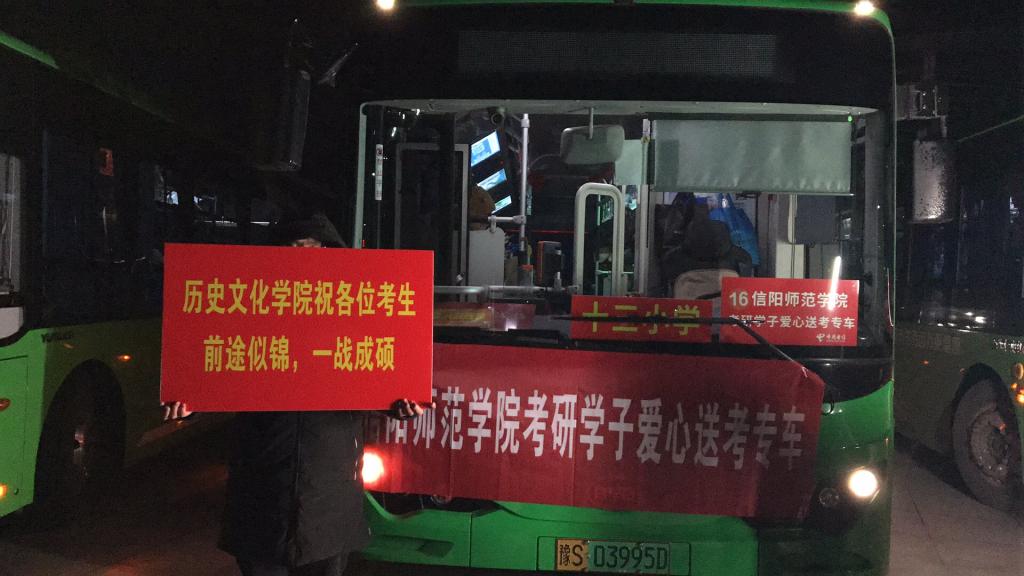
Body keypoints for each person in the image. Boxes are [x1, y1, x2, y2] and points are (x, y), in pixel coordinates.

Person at [163, 212, 432, 576]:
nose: (303, 257)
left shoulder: (357, 314)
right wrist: (189, 402)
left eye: (313, 248)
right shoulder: (251, 311)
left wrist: (400, 404)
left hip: (329, 488)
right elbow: (215, 369)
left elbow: (381, 376)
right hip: (262, 482)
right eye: (293, 248)